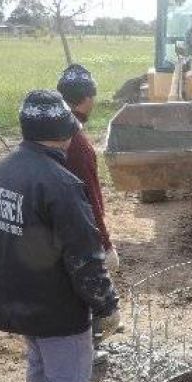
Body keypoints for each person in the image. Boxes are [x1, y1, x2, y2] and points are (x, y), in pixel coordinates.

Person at [0, 90, 122, 382]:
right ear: (64, 134)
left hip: (18, 298)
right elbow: (84, 258)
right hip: (54, 305)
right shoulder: (60, 183)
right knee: (68, 380)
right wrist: (107, 306)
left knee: (40, 369)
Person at [56, 64, 118, 271]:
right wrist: (106, 245)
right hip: (75, 231)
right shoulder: (78, 145)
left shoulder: (51, 130)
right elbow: (88, 197)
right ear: (89, 98)